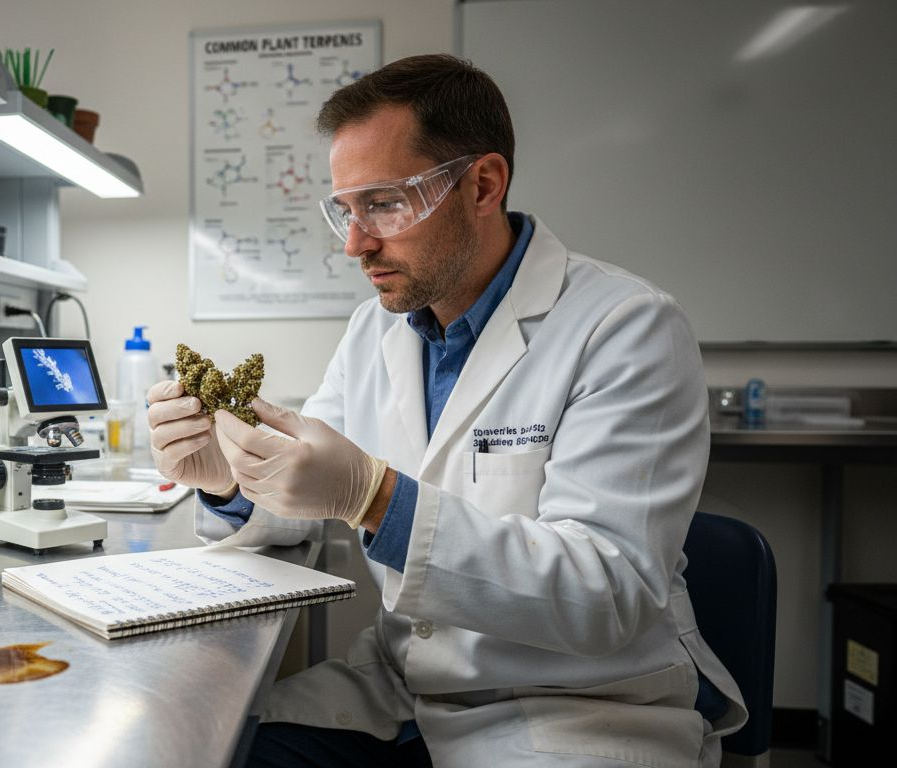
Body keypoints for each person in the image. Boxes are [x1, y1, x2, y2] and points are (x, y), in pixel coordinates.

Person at [148, 54, 748, 766]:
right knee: (199, 746)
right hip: (404, 691)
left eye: (384, 204)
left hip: (580, 709)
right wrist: (227, 477)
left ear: (483, 185)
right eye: (345, 209)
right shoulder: (376, 329)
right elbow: (309, 490)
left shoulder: (626, 327)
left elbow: (606, 595)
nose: (354, 243)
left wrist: (377, 499)